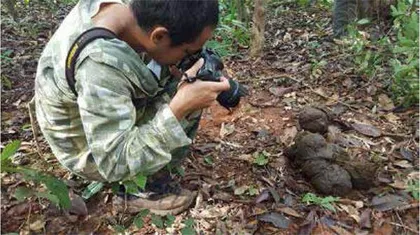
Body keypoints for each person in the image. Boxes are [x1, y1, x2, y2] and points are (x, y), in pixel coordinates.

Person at [33, 0, 230, 215]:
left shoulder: (132, 11)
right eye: (188, 50)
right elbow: (113, 161)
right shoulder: (99, 65)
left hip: (85, 111)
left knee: (187, 81)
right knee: (190, 96)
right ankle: (140, 190)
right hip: (88, 150)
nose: (192, 56)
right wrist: (178, 109)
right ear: (159, 36)